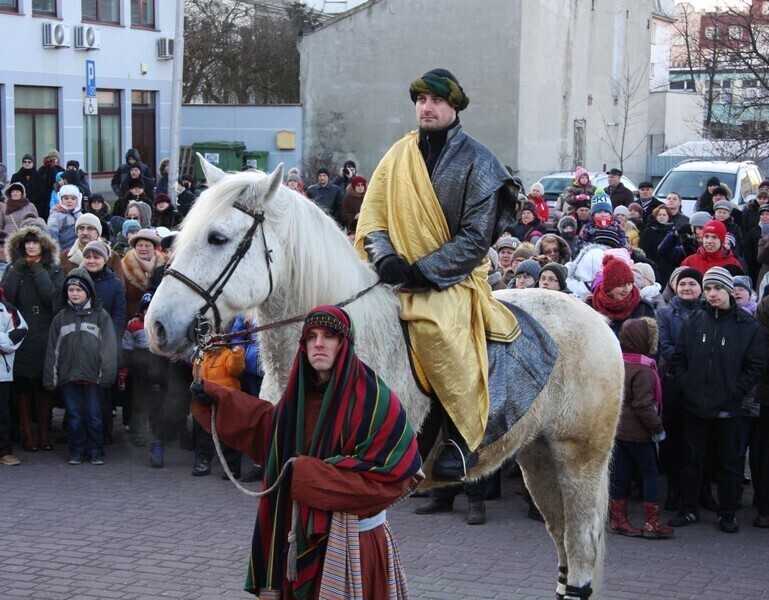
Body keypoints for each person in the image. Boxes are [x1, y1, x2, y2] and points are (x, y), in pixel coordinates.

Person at [191, 305, 423, 598]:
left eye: (329, 336)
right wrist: (219, 399)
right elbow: (272, 431)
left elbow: (391, 478)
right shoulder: (299, 395)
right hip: (297, 537)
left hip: (354, 543)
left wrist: (309, 477)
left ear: (345, 343)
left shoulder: (376, 401)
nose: (319, 344)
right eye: (311, 336)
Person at [355, 68, 519, 481]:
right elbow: (372, 216)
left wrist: (424, 272)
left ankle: (461, 439)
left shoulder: (480, 162)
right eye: (421, 101)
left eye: (436, 101)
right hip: (394, 273)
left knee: (436, 327)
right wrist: (385, 257)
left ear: (454, 107)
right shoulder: (397, 155)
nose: (426, 108)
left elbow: (474, 239)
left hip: (450, 279)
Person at [669, 267, 765, 533]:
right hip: (694, 404)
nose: (712, 294)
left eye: (718, 288)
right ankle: (688, 509)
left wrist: (734, 389)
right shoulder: (694, 321)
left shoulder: (747, 326)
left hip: (728, 406)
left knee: (729, 462)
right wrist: (687, 385)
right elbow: (679, 359)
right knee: (691, 459)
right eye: (709, 288)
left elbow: (755, 366)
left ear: (729, 291)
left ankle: (728, 513)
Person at [2, 220, 64, 452]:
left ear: (43, 245)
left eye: (35, 242)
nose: (30, 246)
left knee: (44, 383)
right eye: (27, 242)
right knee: (22, 384)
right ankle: (27, 434)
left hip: (45, 329)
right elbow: (6, 297)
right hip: (20, 330)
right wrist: (18, 269)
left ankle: (44, 434)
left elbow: (52, 298)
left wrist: (38, 270)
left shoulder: (55, 270)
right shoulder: (12, 268)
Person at [45, 268, 117, 465]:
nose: (75, 294)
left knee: (94, 417)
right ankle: (76, 450)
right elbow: (53, 350)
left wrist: (107, 375)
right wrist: (51, 378)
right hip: (69, 377)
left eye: (79, 290)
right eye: (71, 290)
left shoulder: (101, 316)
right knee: (75, 418)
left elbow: (109, 348)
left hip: (94, 378)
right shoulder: (61, 317)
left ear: (88, 292)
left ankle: (96, 451)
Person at [609, 318, 673, 538]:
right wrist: (657, 427)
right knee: (650, 474)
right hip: (638, 432)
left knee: (620, 475)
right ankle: (652, 523)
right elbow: (643, 405)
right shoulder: (643, 369)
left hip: (617, 430)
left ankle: (618, 519)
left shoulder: (617, 362)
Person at [656, 267, 703, 512]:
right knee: (674, 439)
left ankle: (699, 491)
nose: (687, 288)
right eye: (682, 283)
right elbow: (665, 345)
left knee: (699, 440)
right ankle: (674, 489)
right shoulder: (665, 313)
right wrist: (689, 366)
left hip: (703, 383)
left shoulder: (708, 311)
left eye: (692, 284)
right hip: (675, 381)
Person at [586, 255, 655, 336]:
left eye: (629, 284)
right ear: (608, 288)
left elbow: (651, 341)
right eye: (621, 285)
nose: (627, 289)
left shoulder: (642, 308)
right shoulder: (591, 306)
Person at [0, 293, 27, 466]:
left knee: (2, 413)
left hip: (1, 373)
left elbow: (20, 331)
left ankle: (4, 451)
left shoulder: (7, 309)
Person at [60, 213, 124, 280]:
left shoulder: (112, 257)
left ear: (98, 232)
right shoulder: (64, 256)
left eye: (90, 228)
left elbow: (119, 287)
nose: (85, 232)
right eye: (81, 228)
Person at [122, 228, 164, 319]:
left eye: (147, 246)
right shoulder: (124, 267)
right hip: (130, 320)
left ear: (154, 249)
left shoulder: (163, 268)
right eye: (140, 245)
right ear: (135, 247)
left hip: (155, 319)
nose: (143, 249)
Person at [639, 205, 675, 287]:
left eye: (664, 215)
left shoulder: (672, 232)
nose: (662, 217)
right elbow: (643, 250)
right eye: (659, 215)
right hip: (652, 266)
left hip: (668, 268)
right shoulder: (648, 231)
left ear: (668, 217)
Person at [47, 184, 83, 252]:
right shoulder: (56, 216)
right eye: (66, 198)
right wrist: (56, 253)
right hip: (63, 252)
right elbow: (52, 235)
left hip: (80, 251)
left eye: (73, 198)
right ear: (61, 199)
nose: (69, 201)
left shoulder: (79, 215)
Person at [37, 149, 64, 222]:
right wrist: (44, 166)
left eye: (55, 158)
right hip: (44, 198)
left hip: (55, 196)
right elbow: (38, 179)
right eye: (51, 158)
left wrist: (52, 168)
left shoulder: (61, 170)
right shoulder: (43, 169)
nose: (53, 160)